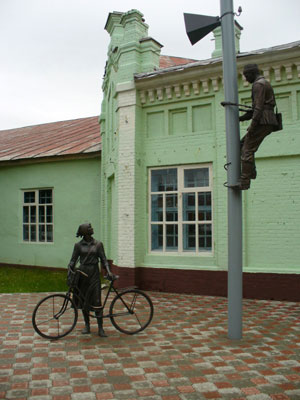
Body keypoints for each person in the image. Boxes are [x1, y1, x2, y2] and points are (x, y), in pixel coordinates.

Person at [237, 63, 278, 190]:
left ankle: (244, 182)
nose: (245, 79)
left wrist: (252, 126)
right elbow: (255, 109)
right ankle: (251, 172)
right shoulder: (262, 83)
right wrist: (238, 118)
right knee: (242, 145)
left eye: (246, 75)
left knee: (247, 150)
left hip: (263, 121)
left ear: (251, 73)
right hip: (265, 120)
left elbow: (259, 109)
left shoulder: (258, 84)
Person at [68, 223, 113, 337]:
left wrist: (108, 270)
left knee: (97, 301)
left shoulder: (98, 244)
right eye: (89, 228)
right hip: (82, 274)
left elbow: (104, 259)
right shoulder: (78, 245)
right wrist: (70, 268)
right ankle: (87, 326)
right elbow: (73, 260)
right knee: (84, 302)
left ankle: (100, 328)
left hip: (94, 274)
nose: (92, 229)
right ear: (84, 231)